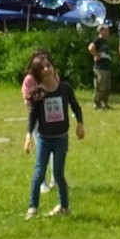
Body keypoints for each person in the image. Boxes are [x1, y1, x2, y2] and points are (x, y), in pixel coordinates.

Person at [23, 53, 84, 219]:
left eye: (49, 66)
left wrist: (80, 124)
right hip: (43, 139)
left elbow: (76, 106)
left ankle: (64, 207)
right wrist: (29, 136)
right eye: (42, 68)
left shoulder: (65, 88)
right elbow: (33, 116)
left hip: (60, 139)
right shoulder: (38, 92)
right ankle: (32, 208)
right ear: (38, 73)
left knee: (58, 174)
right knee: (39, 173)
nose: (47, 69)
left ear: (53, 68)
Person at [21, 49, 55, 196]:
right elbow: (26, 98)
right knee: (42, 152)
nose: (45, 68)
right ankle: (42, 183)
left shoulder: (53, 76)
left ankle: (56, 180)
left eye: (47, 63)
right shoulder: (30, 79)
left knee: (56, 152)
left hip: (53, 119)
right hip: (37, 121)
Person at [88, 24, 113, 110]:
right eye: (106, 30)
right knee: (100, 86)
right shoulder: (98, 40)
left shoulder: (106, 41)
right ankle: (97, 103)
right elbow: (91, 47)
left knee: (107, 86)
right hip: (100, 67)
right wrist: (96, 55)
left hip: (106, 66)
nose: (108, 31)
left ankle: (104, 103)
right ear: (101, 31)